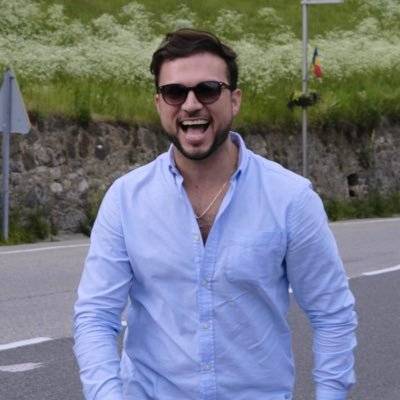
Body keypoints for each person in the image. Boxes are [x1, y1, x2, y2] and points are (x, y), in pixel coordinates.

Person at [74, 28, 357, 400]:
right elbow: (95, 317)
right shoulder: (126, 199)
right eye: (174, 92)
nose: (191, 104)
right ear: (159, 103)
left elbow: (332, 313)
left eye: (208, 90)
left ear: (235, 100)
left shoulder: (290, 198)